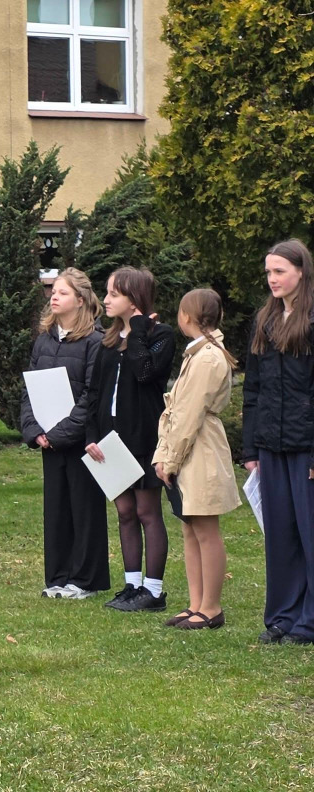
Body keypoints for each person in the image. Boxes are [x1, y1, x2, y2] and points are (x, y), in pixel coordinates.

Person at [85, 267, 175, 613]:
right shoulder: (108, 341)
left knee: (146, 511)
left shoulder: (159, 334)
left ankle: (153, 590)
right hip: (112, 439)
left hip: (143, 437)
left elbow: (145, 372)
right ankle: (132, 584)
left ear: (134, 299)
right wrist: (92, 436)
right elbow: (95, 392)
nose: (106, 299)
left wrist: (137, 330)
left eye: (114, 294)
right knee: (124, 512)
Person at [153, 289, 240, 630]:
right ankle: (196, 603)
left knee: (205, 529)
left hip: (200, 448)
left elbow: (190, 414)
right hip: (190, 445)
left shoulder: (207, 357)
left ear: (187, 316)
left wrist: (170, 459)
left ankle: (211, 607)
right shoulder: (198, 352)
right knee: (190, 527)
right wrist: (164, 455)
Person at [242, 239, 314, 645]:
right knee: (281, 536)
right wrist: (251, 449)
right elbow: (253, 389)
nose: (272, 279)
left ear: (301, 271)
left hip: (305, 446)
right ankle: (283, 618)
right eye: (268, 272)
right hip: (271, 445)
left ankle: (309, 621)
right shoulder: (265, 320)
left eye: (279, 271)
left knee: (309, 535)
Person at [20, 268, 108, 600]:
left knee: (84, 510)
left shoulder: (95, 342)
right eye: (53, 291)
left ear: (81, 300)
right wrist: (35, 431)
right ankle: (57, 577)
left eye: (62, 292)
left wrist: (60, 433)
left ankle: (84, 580)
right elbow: (29, 389)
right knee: (56, 511)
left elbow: (91, 395)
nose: (54, 297)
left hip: (80, 441)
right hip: (48, 441)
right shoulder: (44, 339)